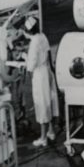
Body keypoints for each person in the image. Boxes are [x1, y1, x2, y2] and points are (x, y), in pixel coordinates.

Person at [24, 16, 56, 148]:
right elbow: (48, 52)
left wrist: (24, 58)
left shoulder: (33, 43)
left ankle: (43, 138)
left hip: (39, 75)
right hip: (47, 70)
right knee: (49, 102)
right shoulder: (42, 36)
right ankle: (51, 131)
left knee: (41, 104)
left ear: (28, 31)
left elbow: (31, 66)